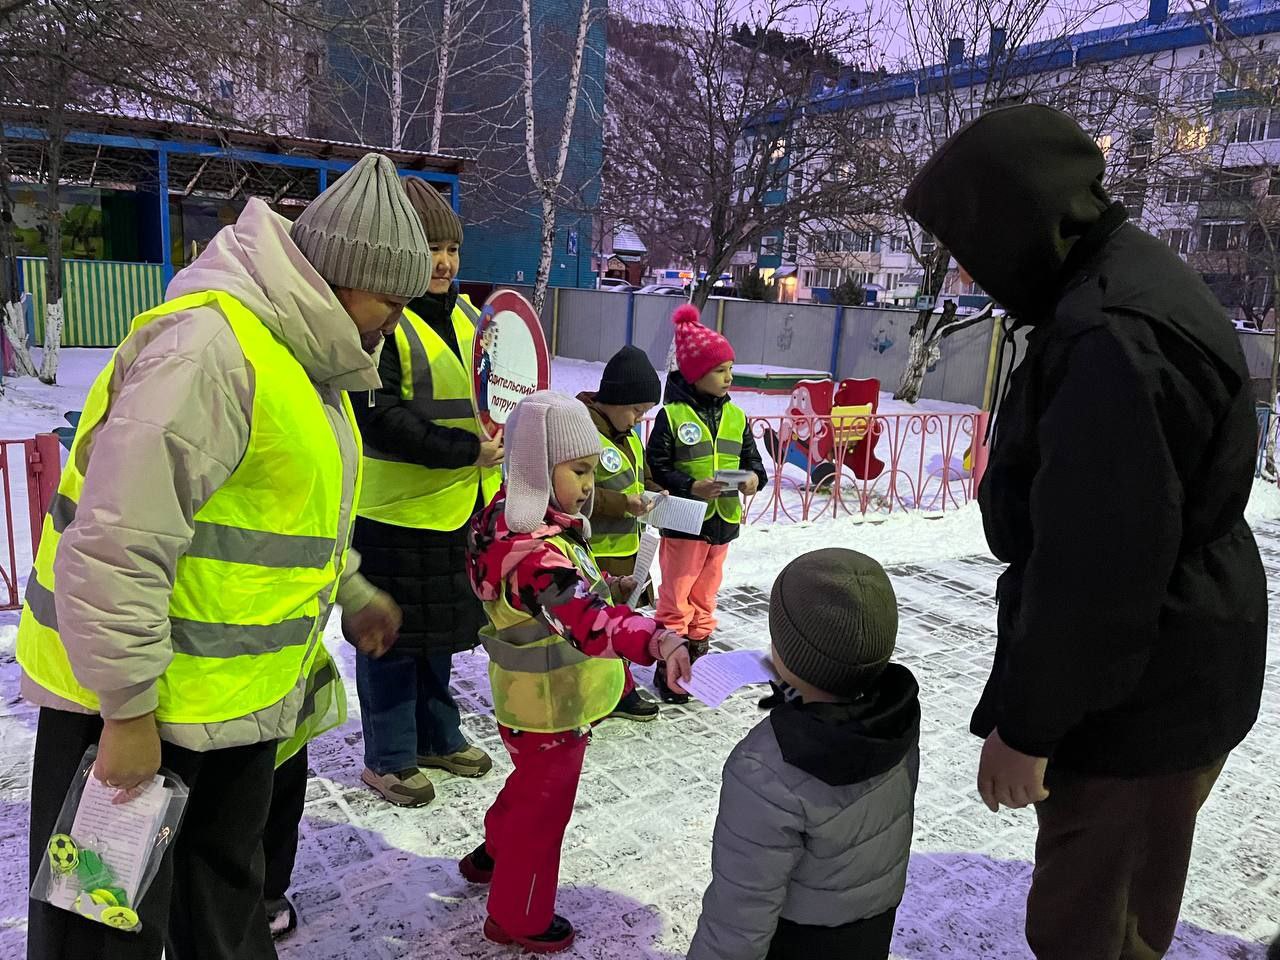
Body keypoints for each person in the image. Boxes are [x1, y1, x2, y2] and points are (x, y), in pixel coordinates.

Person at [17, 152, 421, 959]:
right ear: (343, 277)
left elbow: (275, 515)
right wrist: (127, 713)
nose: (398, 321)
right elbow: (117, 542)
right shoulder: (210, 350)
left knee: (224, 906)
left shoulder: (303, 363)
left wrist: (351, 590)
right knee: (99, 927)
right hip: (130, 709)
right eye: (393, 300)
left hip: (229, 712)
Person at [903, 104, 1267, 960]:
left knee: (1091, 930)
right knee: (1110, 910)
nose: (968, 270)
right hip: (1161, 668)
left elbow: (1098, 571)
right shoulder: (1113, 284)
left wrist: (1029, 731)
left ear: (1018, 220)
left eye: (969, 245)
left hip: (1141, 696)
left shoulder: (1115, 338)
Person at [459, 391, 692, 953]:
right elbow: (586, 622)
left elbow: (568, 597)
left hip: (532, 701)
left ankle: (493, 853)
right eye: (579, 471)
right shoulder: (536, 554)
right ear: (536, 468)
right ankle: (516, 917)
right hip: (551, 707)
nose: (590, 485)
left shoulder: (524, 526)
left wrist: (608, 587)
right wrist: (656, 638)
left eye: (591, 470)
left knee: (529, 787)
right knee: (544, 814)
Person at [351, 177, 503, 807]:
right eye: (430, 249)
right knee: (389, 641)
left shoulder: (472, 318)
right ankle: (389, 757)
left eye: (451, 249)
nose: (443, 262)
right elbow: (380, 416)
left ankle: (438, 735)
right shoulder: (383, 323)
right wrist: (467, 451)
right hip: (393, 514)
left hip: (457, 510)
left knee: (439, 636)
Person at [688, 548, 919, 960]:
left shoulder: (763, 769)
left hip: (795, 940)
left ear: (788, 656)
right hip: (872, 926)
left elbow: (739, 916)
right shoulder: (896, 718)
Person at [646, 303, 767, 703]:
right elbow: (656, 467)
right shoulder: (671, 415)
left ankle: (696, 658)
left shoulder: (737, 417)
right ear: (696, 373)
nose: (729, 377)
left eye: (730, 369)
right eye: (720, 370)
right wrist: (690, 486)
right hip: (685, 523)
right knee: (675, 596)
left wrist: (753, 479)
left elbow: (754, 464)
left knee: (706, 596)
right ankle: (669, 665)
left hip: (722, 524)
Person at [577, 344, 665, 722]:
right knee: (593, 627)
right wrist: (622, 504)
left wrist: (655, 491)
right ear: (615, 399)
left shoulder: (629, 437)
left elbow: (639, 478)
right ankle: (597, 694)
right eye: (636, 410)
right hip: (594, 554)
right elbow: (573, 494)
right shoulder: (582, 432)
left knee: (621, 623)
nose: (638, 419)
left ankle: (618, 689)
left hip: (629, 553)